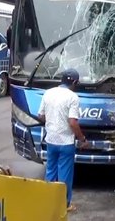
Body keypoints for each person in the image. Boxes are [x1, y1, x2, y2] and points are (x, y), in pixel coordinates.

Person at [37, 68, 88, 212]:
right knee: (65, 174)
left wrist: (52, 121)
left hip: (51, 140)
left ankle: (48, 200)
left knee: (50, 171)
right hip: (66, 142)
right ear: (75, 82)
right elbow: (73, 122)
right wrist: (82, 138)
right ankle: (64, 204)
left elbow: (40, 115)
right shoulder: (73, 97)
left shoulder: (48, 93)